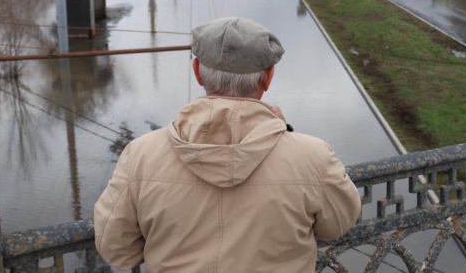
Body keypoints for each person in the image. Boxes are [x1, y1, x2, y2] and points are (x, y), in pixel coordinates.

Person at [94, 17, 362, 273]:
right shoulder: (313, 157)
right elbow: (339, 224)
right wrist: (285, 134)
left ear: (197, 71)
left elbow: (117, 250)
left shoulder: (140, 155)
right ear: (268, 77)